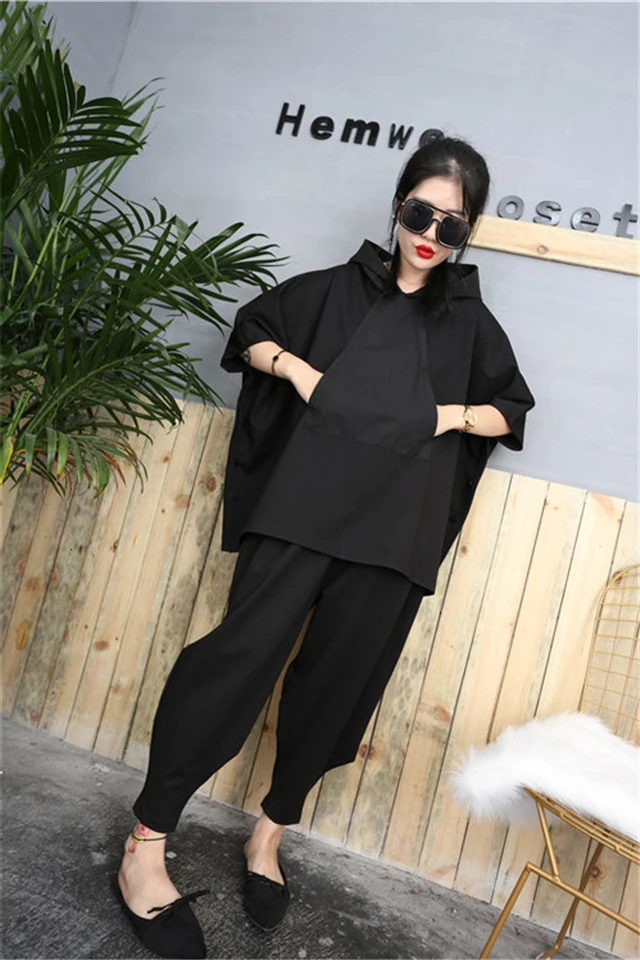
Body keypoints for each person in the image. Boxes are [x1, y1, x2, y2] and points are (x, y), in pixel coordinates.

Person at [112, 136, 535, 958]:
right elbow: (250, 333)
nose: (431, 235)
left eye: (452, 225)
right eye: (421, 213)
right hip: (301, 512)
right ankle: (146, 843)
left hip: (395, 534)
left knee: (336, 691)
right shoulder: (331, 293)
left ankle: (268, 837)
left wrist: (444, 416)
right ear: (397, 206)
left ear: (467, 233)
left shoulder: (472, 328)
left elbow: (510, 411)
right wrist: (303, 375)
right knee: (233, 665)